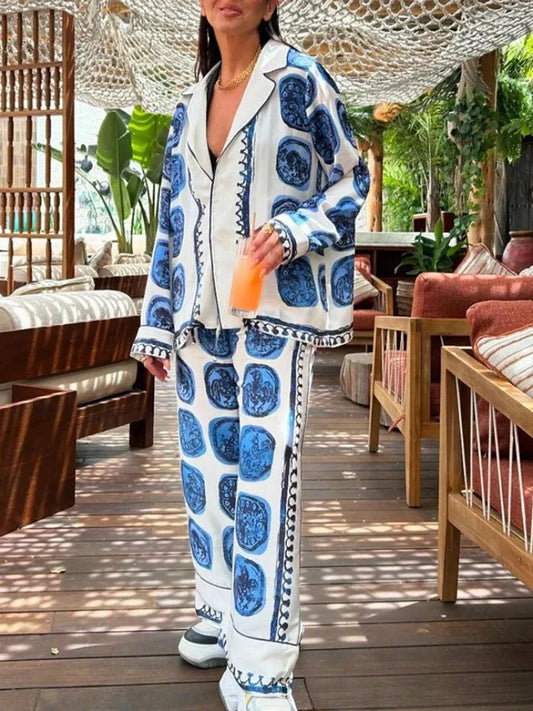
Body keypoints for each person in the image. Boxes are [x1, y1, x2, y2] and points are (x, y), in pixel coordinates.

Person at [131, 1, 370, 709]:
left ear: (271, 4)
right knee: (207, 479)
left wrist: (296, 228)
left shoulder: (299, 79)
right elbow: (171, 222)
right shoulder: (187, 105)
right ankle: (218, 613)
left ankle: (261, 665)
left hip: (273, 318)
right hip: (198, 322)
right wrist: (156, 322)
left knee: (265, 481)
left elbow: (350, 180)